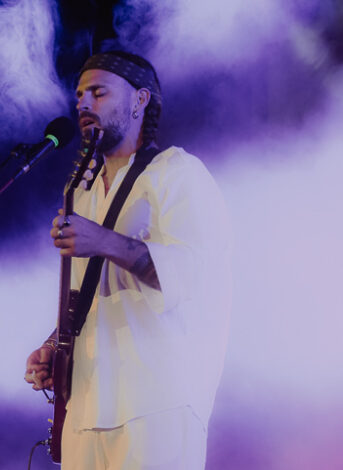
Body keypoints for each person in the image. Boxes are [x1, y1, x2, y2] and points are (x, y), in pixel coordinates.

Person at [24, 50, 232, 470]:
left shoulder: (178, 172)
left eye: (98, 92)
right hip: (84, 407)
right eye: (79, 95)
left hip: (156, 405)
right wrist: (52, 345)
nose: (83, 104)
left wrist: (103, 240)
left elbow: (191, 275)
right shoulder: (81, 191)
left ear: (140, 100)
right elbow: (89, 297)